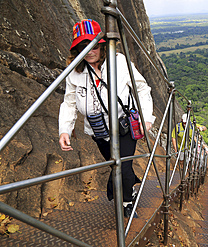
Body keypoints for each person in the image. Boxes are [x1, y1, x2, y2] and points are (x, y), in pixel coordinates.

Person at [58, 19, 155, 218]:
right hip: (99, 131)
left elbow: (142, 89)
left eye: (93, 45)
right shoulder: (74, 72)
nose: (89, 51)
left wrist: (146, 118)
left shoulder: (119, 62)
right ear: (76, 50)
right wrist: (64, 130)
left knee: (122, 167)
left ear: (102, 45)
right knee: (115, 166)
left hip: (124, 126)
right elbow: (69, 102)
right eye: (83, 47)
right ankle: (130, 188)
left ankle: (126, 204)